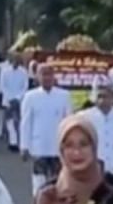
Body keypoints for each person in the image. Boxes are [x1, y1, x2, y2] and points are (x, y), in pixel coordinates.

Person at [19, 63, 73, 195]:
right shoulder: (30, 96)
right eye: (43, 74)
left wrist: (70, 144)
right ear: (37, 77)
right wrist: (24, 146)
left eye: (49, 74)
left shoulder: (64, 95)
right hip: (38, 146)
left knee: (58, 182)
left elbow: (69, 121)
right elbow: (26, 122)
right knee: (39, 183)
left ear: (53, 76)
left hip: (58, 146)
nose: (46, 78)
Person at [0, 50, 30, 152]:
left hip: (19, 100)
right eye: (14, 59)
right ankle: (13, 142)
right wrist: (10, 98)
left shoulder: (23, 72)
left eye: (17, 59)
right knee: (9, 121)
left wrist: (17, 98)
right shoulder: (5, 71)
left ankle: (21, 143)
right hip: (8, 100)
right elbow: (2, 86)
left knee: (19, 121)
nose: (15, 61)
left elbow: (25, 86)